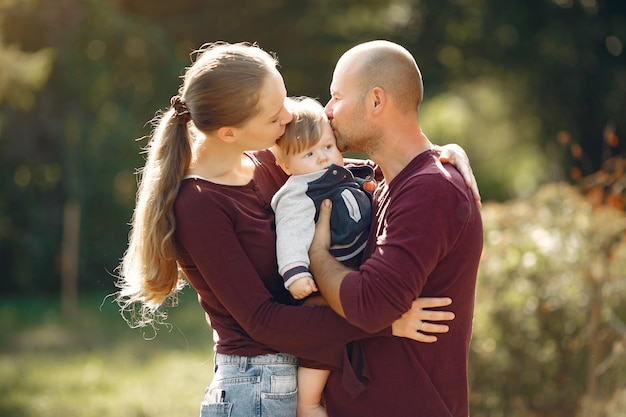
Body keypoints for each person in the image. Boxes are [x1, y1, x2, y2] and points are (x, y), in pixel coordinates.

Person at [114, 41, 477, 417]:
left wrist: (443, 155)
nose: (289, 117)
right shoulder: (199, 203)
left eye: (284, 100)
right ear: (229, 133)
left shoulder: (270, 168)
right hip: (254, 386)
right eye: (273, 117)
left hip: (298, 373)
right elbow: (262, 320)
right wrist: (383, 323)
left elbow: (359, 167)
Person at [308, 40, 484, 417]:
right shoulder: (383, 178)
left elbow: (371, 305)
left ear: (375, 101)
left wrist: (317, 256)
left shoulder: (431, 190)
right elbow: (289, 159)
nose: (327, 111)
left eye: (337, 97)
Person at [271, 96, 377, 417]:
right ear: (286, 165)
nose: (322, 158)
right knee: (321, 348)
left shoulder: (343, 171)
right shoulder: (298, 191)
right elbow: (290, 231)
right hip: (324, 282)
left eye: (328, 147)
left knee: (345, 344)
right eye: (309, 153)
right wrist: (295, 273)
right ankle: (308, 404)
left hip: (354, 273)